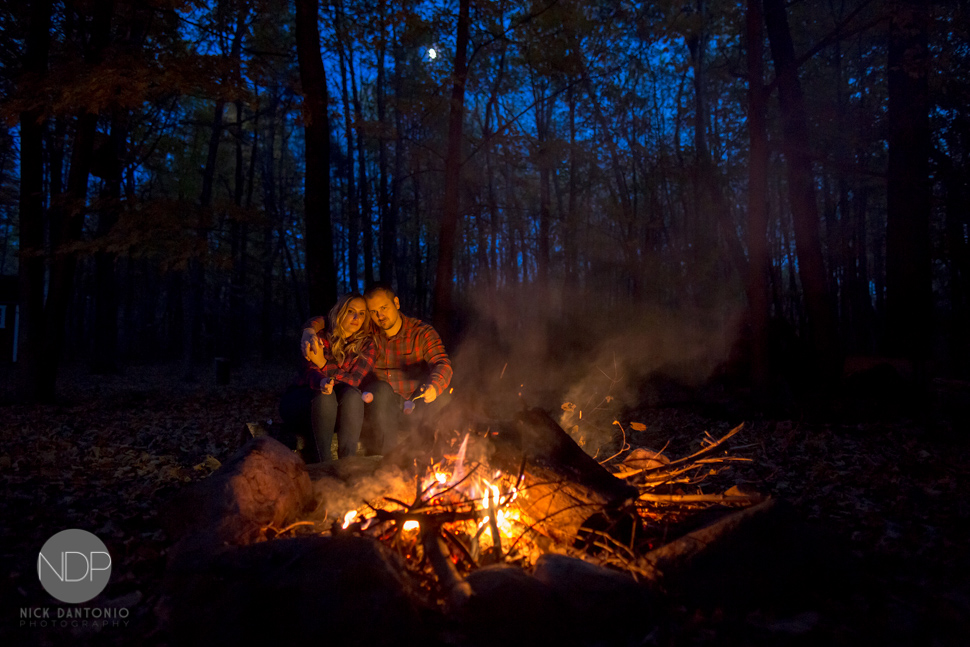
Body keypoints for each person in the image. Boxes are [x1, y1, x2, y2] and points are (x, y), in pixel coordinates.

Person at [278, 293, 377, 462]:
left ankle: (348, 463)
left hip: (337, 405)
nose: (356, 318)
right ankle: (323, 464)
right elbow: (309, 370)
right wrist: (322, 380)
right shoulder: (320, 336)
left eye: (361, 314)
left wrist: (324, 364)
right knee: (325, 396)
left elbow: (354, 381)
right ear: (340, 312)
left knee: (353, 395)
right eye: (351, 311)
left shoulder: (366, 344)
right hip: (303, 400)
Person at [362, 283, 453, 455]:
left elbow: (442, 363)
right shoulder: (367, 334)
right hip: (382, 407)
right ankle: (385, 462)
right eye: (373, 312)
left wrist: (434, 386)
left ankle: (430, 461)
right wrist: (309, 329)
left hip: (415, 402)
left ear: (396, 303)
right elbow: (336, 321)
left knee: (443, 399)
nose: (380, 315)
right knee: (380, 390)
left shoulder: (421, 333)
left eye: (384, 307)